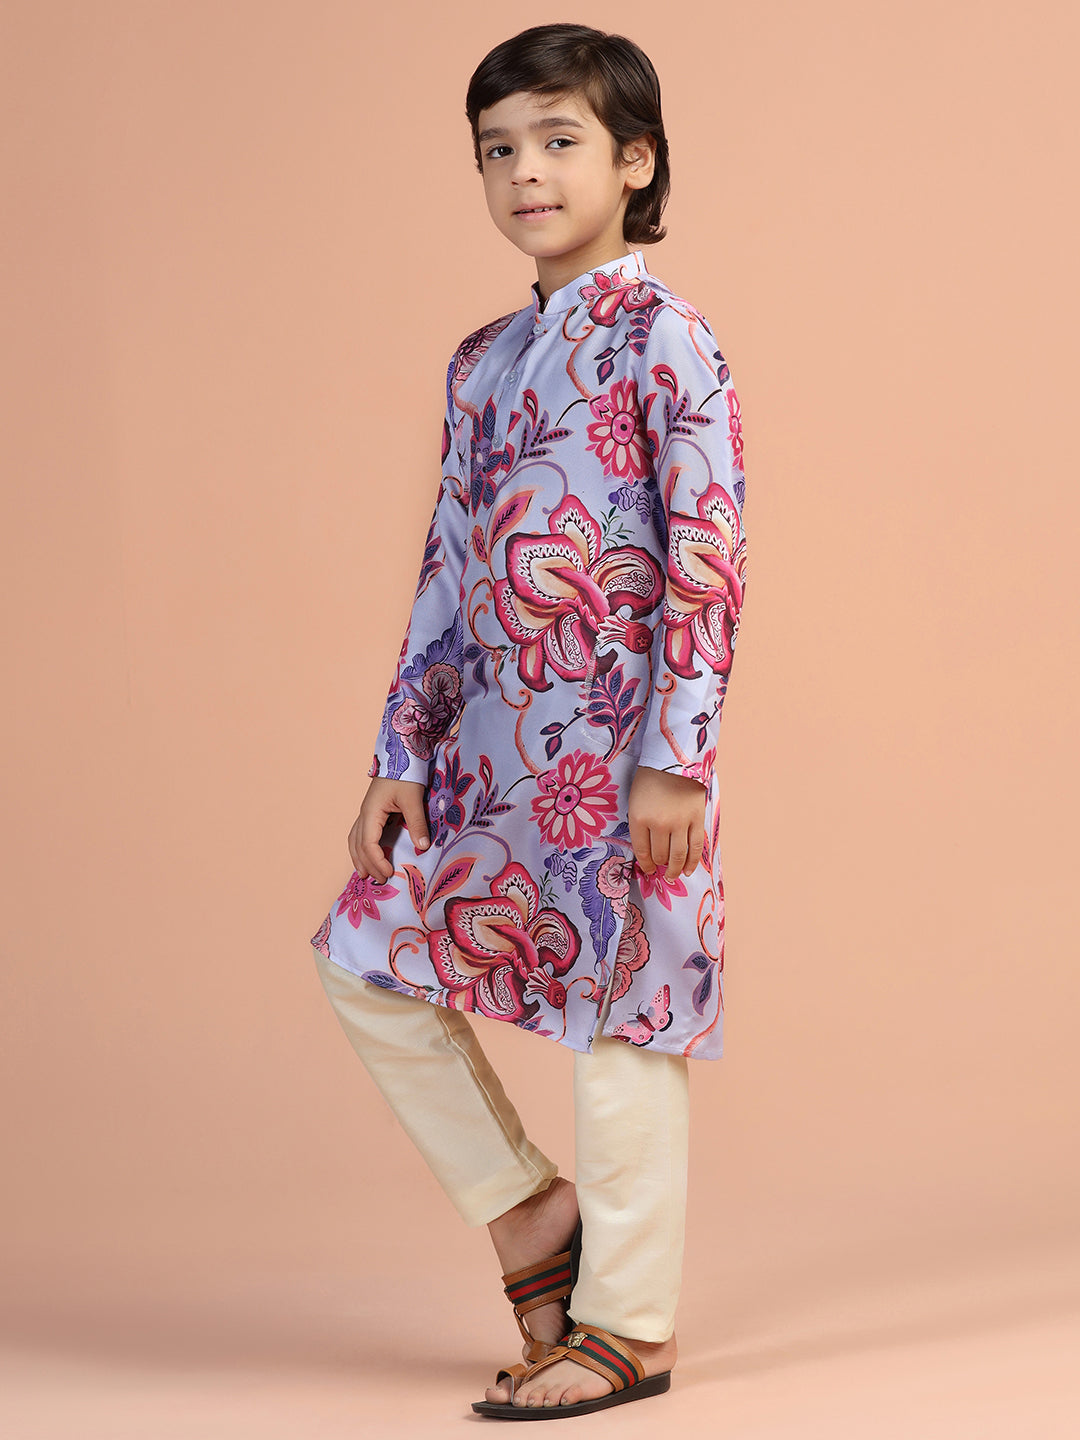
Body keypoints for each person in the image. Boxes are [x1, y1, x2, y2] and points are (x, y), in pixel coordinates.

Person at [309, 22, 748, 1420]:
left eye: (559, 141)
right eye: (497, 150)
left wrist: (677, 758)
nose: (525, 173)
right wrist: (399, 754)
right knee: (368, 960)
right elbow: (446, 566)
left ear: (636, 161)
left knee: (626, 1022)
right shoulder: (483, 359)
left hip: (621, 754)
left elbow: (710, 558)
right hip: (489, 754)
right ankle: (529, 1218)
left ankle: (629, 1323)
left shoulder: (669, 340)